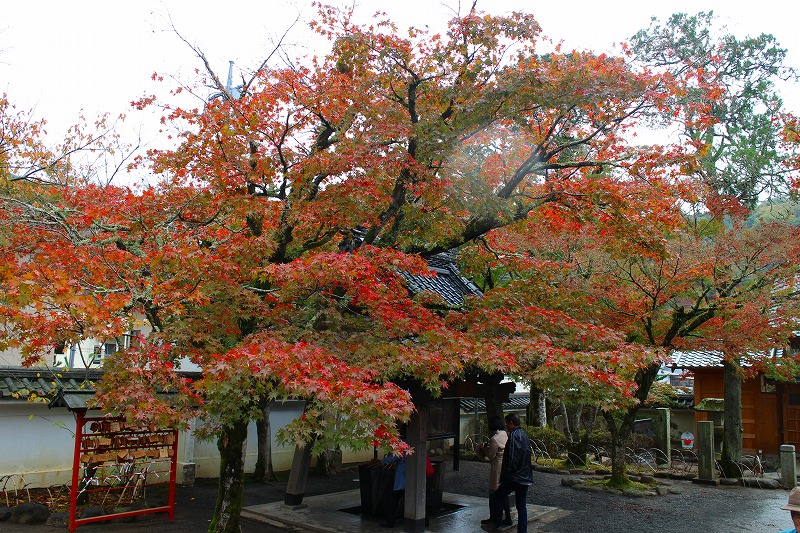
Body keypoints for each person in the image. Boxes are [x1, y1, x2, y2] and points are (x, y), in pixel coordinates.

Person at [487, 413, 532, 533]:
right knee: (521, 506)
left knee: (497, 496)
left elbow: (512, 457)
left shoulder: (513, 436)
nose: (506, 426)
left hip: (515, 476)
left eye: (507, 423)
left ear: (511, 423)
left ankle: (496, 525)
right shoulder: (524, 436)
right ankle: (522, 530)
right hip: (525, 476)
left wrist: (508, 472)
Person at [379, 451, 434, 528]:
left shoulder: (403, 445)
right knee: (416, 499)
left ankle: (390, 521)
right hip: (413, 475)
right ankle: (425, 520)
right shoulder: (413, 444)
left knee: (395, 500)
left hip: (403, 477)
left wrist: (382, 461)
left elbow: (394, 457)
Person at [480, 416, 513, 528]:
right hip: (505, 466)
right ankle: (508, 517)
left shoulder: (494, 439)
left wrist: (484, 449)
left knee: (493, 493)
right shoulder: (505, 435)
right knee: (504, 494)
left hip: (497, 467)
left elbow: (490, 455)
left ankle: (494, 518)